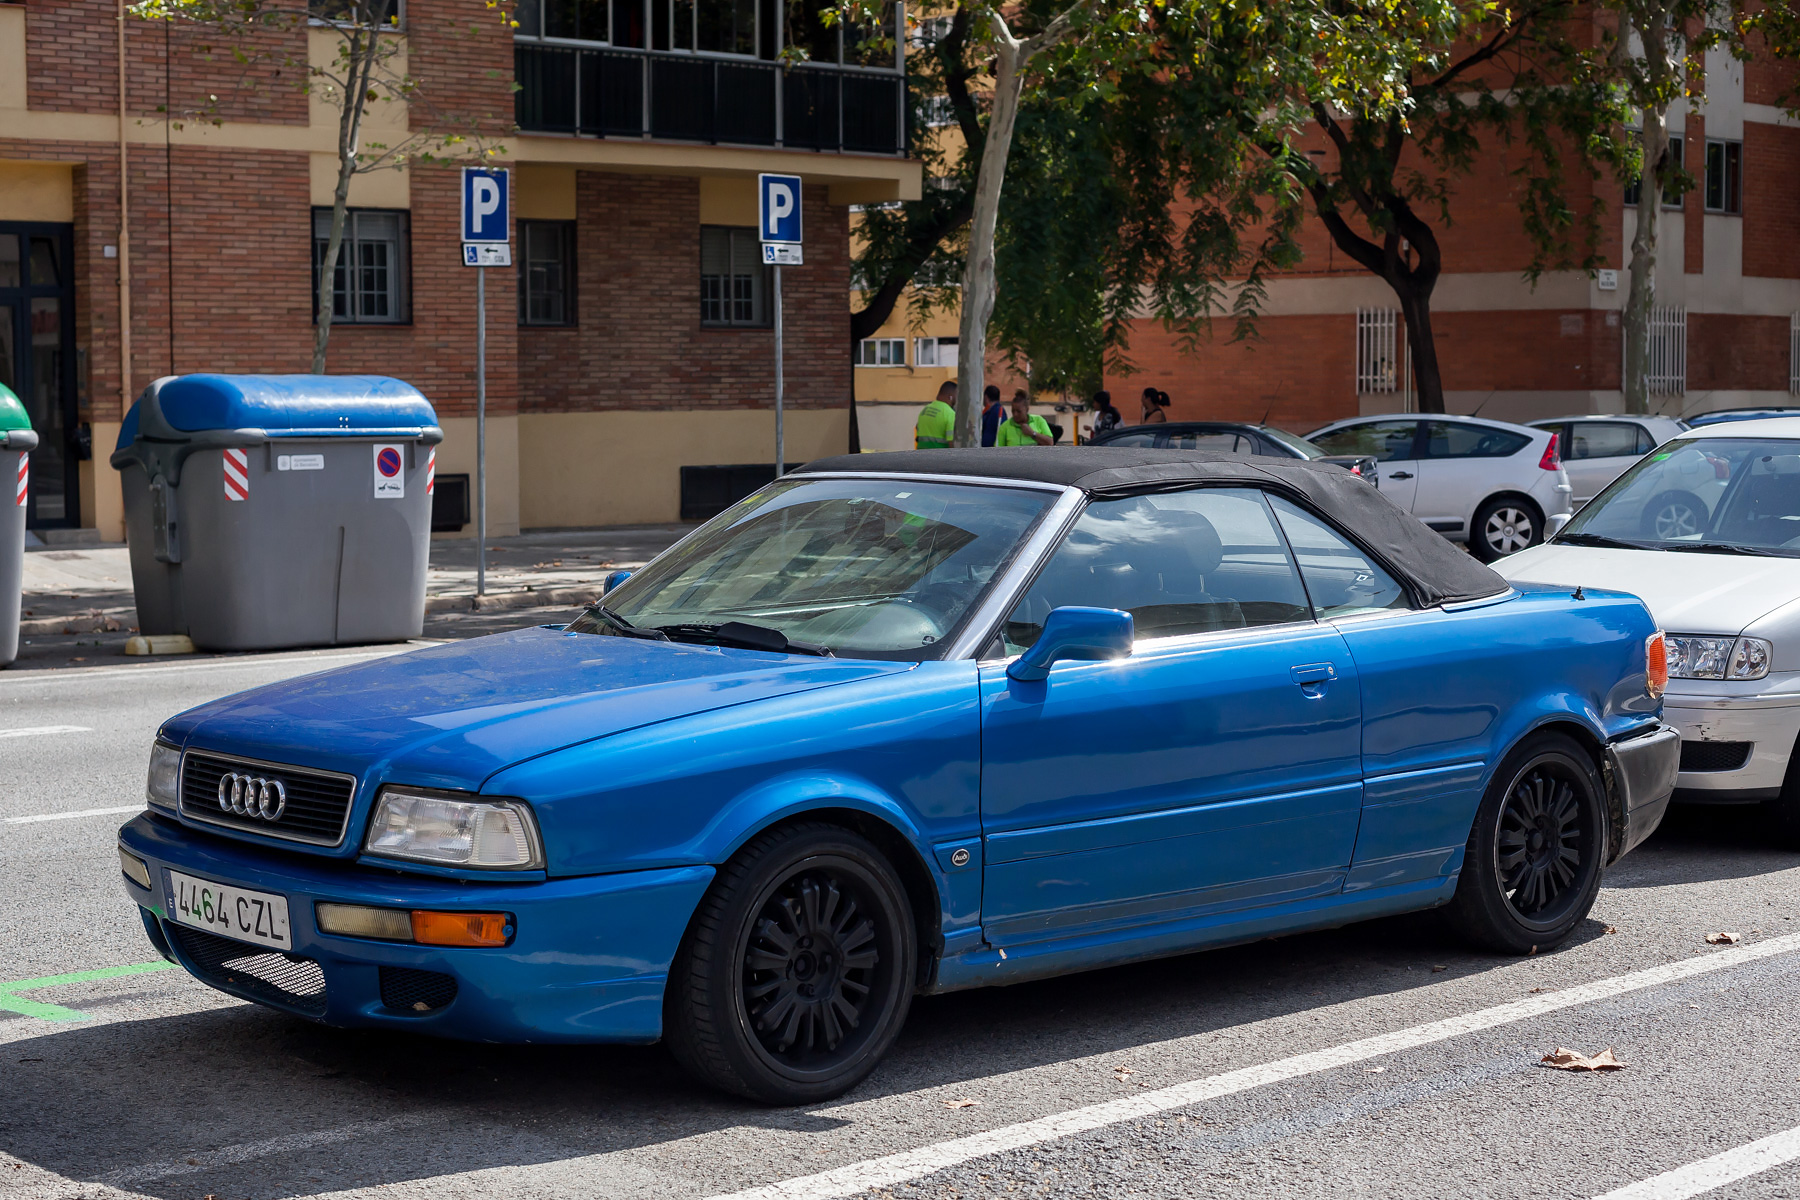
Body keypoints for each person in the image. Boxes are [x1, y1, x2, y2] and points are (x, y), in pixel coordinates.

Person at [915, 380, 956, 449]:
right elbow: (951, 442)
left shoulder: (925, 410)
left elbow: (917, 429)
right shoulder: (950, 413)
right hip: (939, 456)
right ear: (950, 397)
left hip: (920, 454)